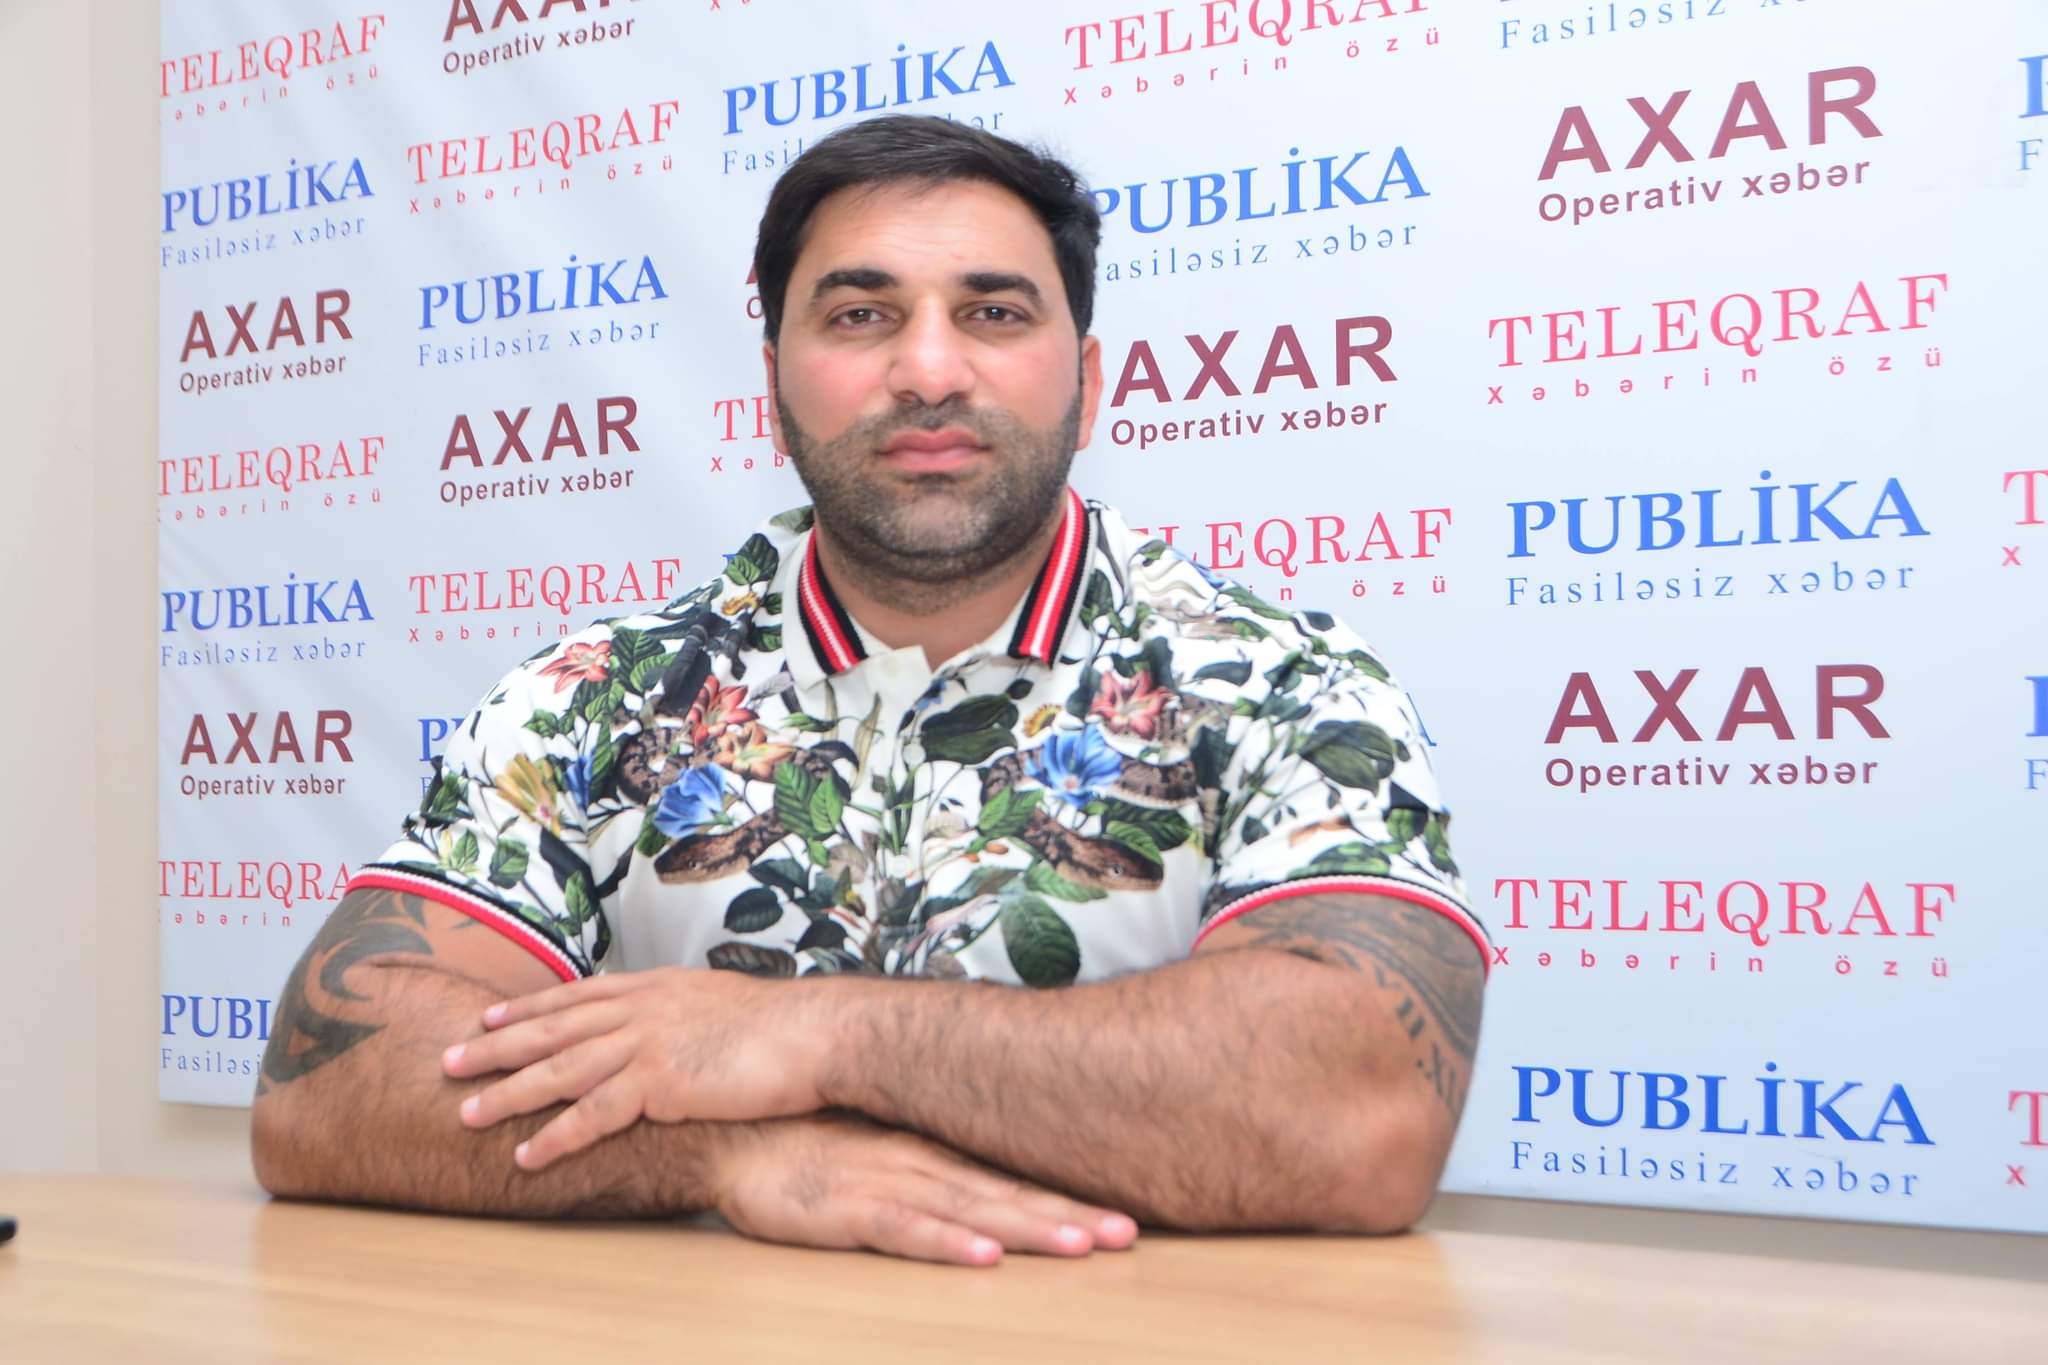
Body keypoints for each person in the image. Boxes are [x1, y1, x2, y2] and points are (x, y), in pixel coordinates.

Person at [251, 115, 1488, 1268]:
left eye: (992, 312)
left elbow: (1362, 1115)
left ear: (1089, 377)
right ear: (772, 382)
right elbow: (321, 1088)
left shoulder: (1277, 680)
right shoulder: (599, 696)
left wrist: (813, 1035)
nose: (928, 369)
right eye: (858, 315)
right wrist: (727, 1151)